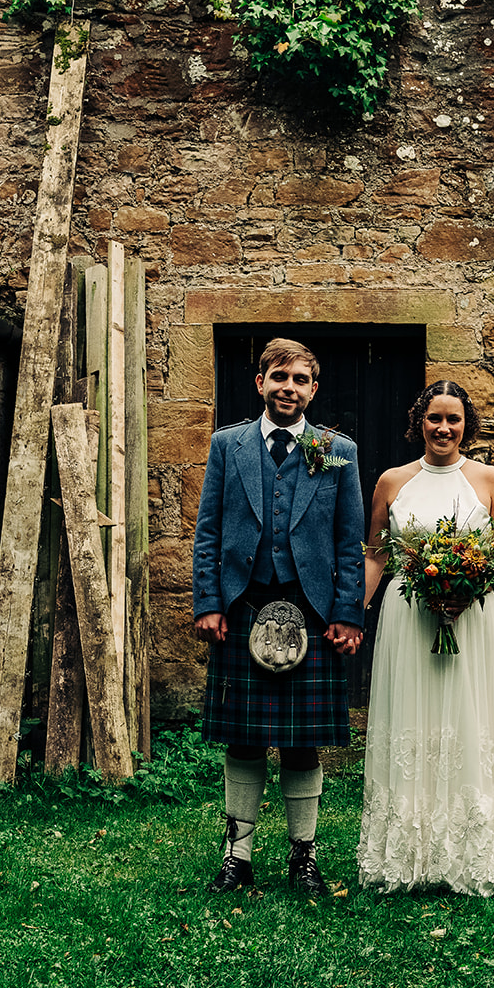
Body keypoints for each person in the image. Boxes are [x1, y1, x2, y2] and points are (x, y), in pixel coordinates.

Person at [355, 381, 494, 895]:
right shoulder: (393, 481)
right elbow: (376, 553)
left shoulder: (489, 479)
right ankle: (411, 854)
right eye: (435, 418)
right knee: (413, 720)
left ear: (467, 425)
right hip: (408, 616)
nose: (444, 428)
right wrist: (355, 612)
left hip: (474, 617)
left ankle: (478, 849)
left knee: (470, 719)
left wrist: (466, 587)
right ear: (419, 421)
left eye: (454, 420)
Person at [192, 338, 366, 895]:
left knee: (301, 742)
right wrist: (210, 602)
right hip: (243, 605)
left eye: (299, 380)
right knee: (242, 740)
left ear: (314, 390)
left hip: (312, 613)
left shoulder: (337, 450)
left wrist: (348, 614)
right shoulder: (227, 445)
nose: (288, 387)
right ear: (260, 382)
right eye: (278, 377)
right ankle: (237, 859)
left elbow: (348, 543)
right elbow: (209, 532)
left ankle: (304, 857)